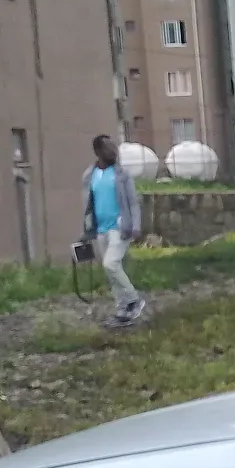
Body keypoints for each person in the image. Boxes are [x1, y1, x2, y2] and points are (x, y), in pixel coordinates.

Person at [82, 135, 146, 327]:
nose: (114, 151)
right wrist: (86, 229)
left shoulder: (122, 174)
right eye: (108, 148)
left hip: (120, 228)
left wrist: (136, 226)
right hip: (101, 229)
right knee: (110, 272)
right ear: (98, 151)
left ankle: (134, 299)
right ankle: (121, 309)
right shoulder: (89, 176)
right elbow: (88, 205)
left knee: (111, 264)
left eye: (114, 147)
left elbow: (133, 201)